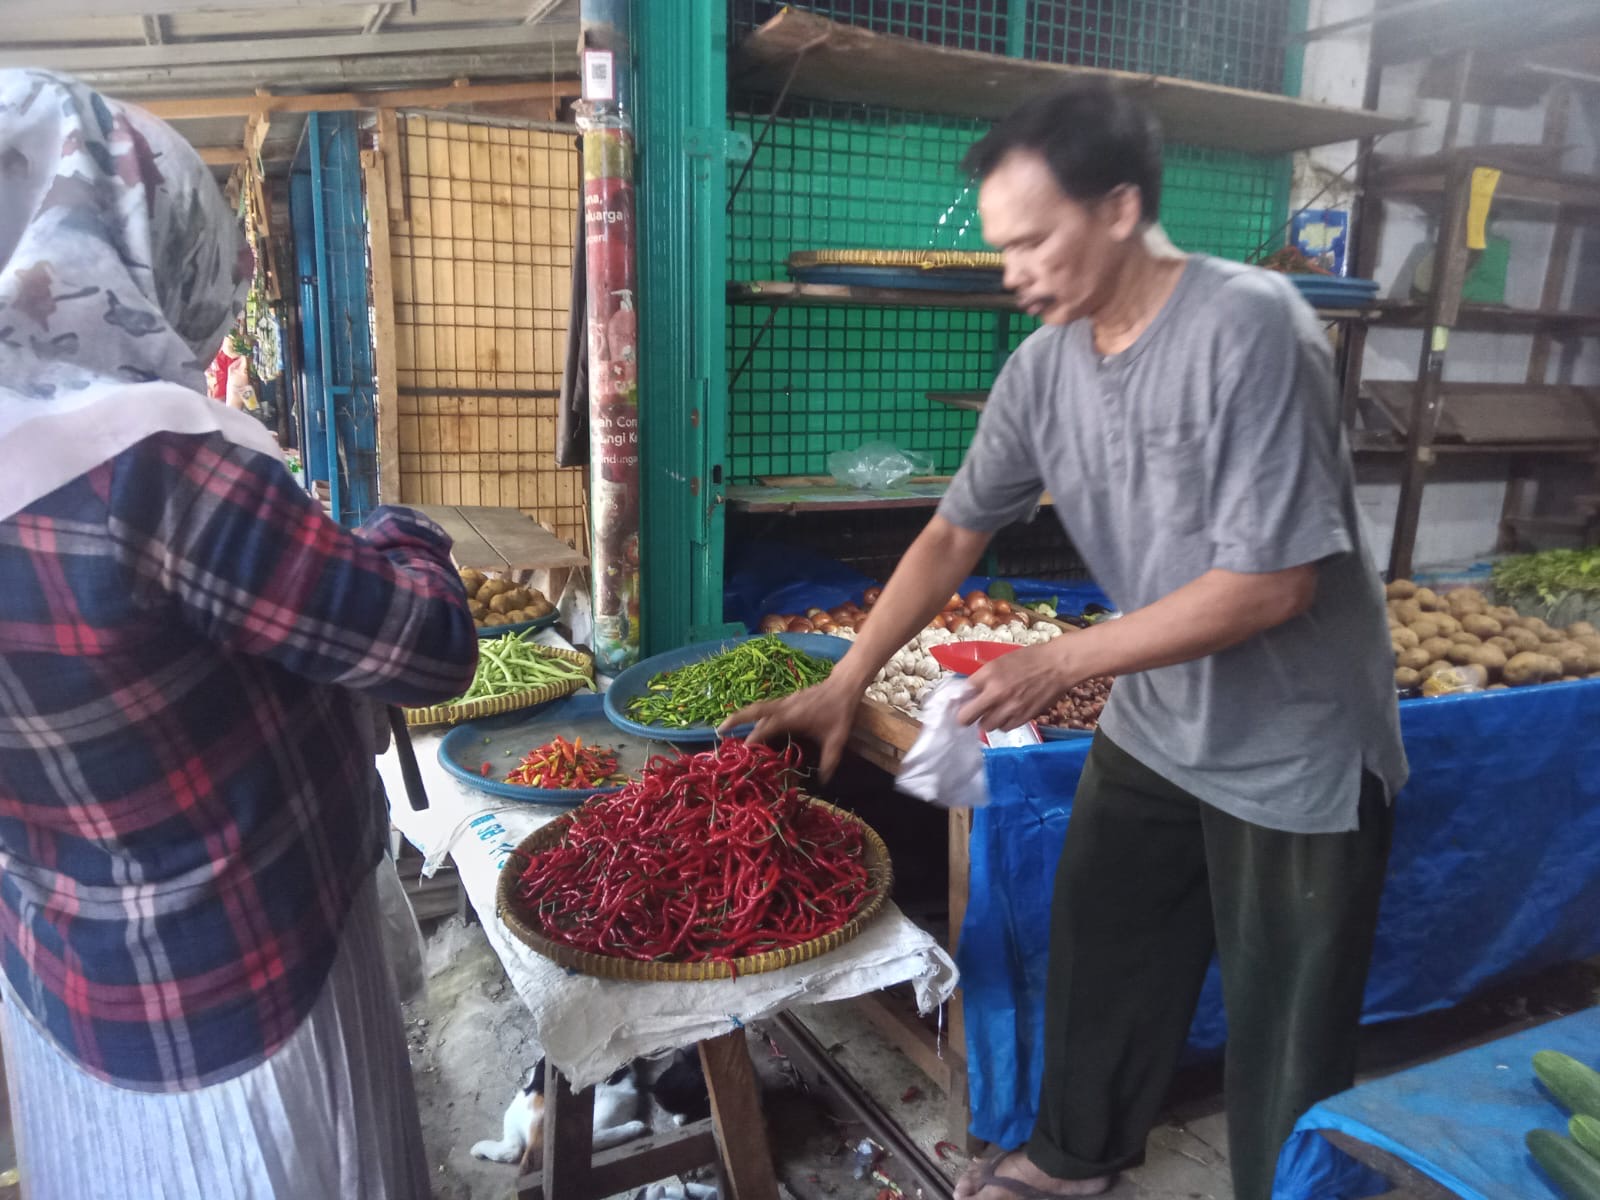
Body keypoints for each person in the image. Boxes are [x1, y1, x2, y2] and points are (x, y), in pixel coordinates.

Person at [727, 82, 1406, 1200]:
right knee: (1103, 949)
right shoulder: (1043, 366)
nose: (1017, 270)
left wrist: (1056, 660)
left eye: (1036, 238)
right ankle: (1071, 1160)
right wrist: (845, 681)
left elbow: (1274, 585)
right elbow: (952, 533)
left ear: (1122, 207)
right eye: (1004, 246)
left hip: (1297, 743)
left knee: (1287, 1023)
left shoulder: (1249, 326)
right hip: (1158, 720)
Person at [0, 71, 478, 1198]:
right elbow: (422, 646)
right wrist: (399, 533)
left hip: (69, 983)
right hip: (243, 990)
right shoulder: (151, 465)